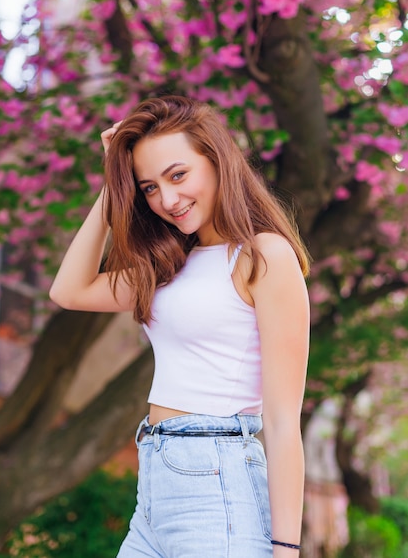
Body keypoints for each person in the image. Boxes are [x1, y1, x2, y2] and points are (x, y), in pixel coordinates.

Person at [50, 95, 310, 558]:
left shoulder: (263, 255)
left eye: (178, 175)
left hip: (218, 482)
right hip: (154, 483)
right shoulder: (169, 266)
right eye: (149, 187)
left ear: (216, 161)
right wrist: (114, 182)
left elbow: (282, 419)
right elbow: (68, 291)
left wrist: (287, 547)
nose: (167, 199)